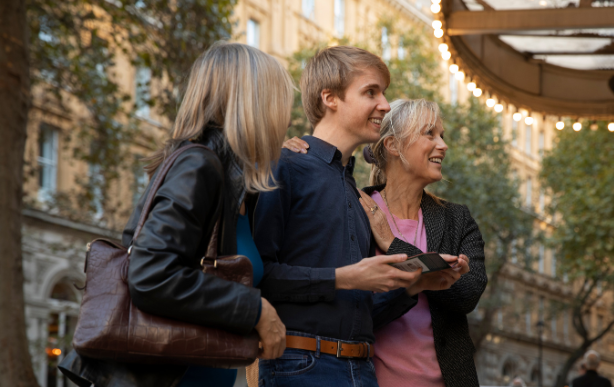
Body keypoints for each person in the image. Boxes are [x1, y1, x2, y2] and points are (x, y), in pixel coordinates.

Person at [59, 41, 293, 387]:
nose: (285, 116)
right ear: (252, 106)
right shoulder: (199, 167)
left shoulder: (234, 185)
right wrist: (255, 309)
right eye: (279, 102)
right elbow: (152, 273)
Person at [253, 47, 465, 387]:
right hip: (301, 366)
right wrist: (345, 277)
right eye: (371, 92)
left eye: (383, 92)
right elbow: (258, 277)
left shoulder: (355, 191)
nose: (384, 104)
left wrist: (416, 284)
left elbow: (361, 310)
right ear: (330, 98)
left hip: (361, 369)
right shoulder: (285, 166)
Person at [284, 98, 487, 387]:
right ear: (392, 146)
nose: (443, 145)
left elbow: (468, 294)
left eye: (442, 135)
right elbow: (346, 313)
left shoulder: (457, 218)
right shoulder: (351, 207)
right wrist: (290, 152)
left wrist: (393, 243)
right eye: (430, 134)